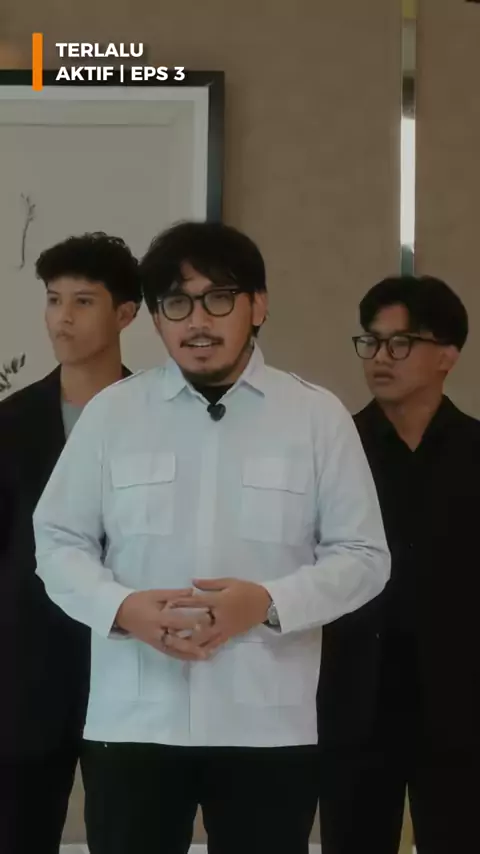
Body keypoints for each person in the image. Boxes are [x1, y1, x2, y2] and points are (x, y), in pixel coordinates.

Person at [33, 220, 390, 854]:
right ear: (155, 318)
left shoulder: (315, 416)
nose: (198, 321)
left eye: (218, 299)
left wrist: (268, 603)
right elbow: (58, 540)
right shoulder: (114, 413)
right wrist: (122, 608)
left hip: (267, 723)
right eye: (176, 303)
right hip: (135, 721)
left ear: (258, 305)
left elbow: (364, 556)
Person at [318, 275, 479, 854]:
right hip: (354, 699)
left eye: (400, 342)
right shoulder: (333, 452)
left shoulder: (474, 451)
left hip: (461, 704)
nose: (380, 357)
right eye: (371, 341)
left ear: (447, 356)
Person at [0, 232, 141, 854]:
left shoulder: (161, 419)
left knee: (131, 833)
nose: (63, 317)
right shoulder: (10, 424)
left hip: (133, 665)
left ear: (126, 313)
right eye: (54, 300)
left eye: (83, 301)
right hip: (27, 672)